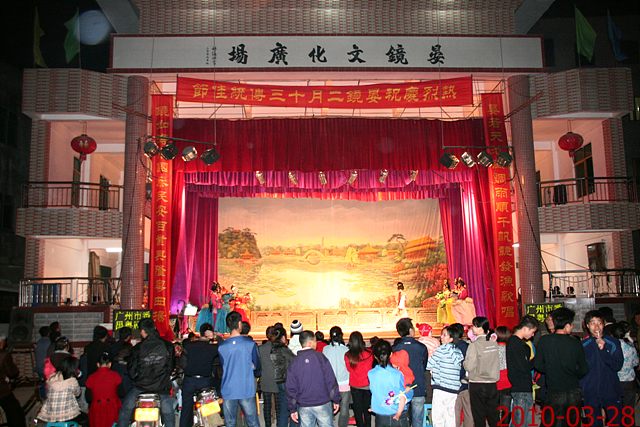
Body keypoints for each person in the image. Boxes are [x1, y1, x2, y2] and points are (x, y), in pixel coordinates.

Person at [534, 307, 588, 427]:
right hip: (573, 391)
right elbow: (584, 369)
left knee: (551, 422)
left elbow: (538, 365)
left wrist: (550, 370)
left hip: (553, 391)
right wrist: (574, 374)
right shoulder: (575, 342)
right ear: (567, 325)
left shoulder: (545, 340)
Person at [117, 318, 176, 427]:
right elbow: (171, 367)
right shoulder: (168, 346)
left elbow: (132, 371)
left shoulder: (137, 348)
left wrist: (139, 379)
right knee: (169, 414)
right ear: (154, 328)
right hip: (162, 387)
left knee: (125, 411)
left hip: (141, 387)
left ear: (143, 331)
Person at [286, 330, 340, 427]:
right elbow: (330, 380)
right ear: (310, 342)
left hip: (304, 404)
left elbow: (291, 387)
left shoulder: (294, 362)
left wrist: (292, 408)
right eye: (315, 341)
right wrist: (336, 399)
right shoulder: (320, 357)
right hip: (322, 402)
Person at [218, 311, 262, 427]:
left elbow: (223, 365)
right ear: (239, 324)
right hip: (245, 388)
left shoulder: (222, 347)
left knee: (230, 423)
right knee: (252, 422)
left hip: (228, 388)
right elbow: (257, 366)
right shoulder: (250, 344)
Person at [580, 310, 623, 427]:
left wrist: (603, 349)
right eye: (592, 323)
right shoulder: (583, 345)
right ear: (587, 326)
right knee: (594, 423)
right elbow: (579, 368)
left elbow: (617, 365)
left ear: (603, 324)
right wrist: (583, 387)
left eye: (599, 323)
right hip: (591, 392)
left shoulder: (613, 342)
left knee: (616, 422)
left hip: (611, 390)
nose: (596, 326)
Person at [179, 322, 219, 427]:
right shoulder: (213, 348)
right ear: (208, 333)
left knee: (186, 409)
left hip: (189, 381)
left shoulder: (189, 346)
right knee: (209, 410)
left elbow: (182, 363)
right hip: (205, 381)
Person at [463, 316, 500, 427]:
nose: (472, 328)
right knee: (493, 416)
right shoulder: (494, 344)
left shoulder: (474, 345)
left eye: (474, 326)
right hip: (492, 384)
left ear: (480, 328)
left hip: (477, 384)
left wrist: (464, 363)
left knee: (479, 416)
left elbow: (469, 366)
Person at [369, 340, 413, 427]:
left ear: (375, 356)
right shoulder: (397, 374)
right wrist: (410, 391)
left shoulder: (371, 374)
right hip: (397, 415)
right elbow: (403, 395)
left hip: (380, 416)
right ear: (390, 354)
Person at [393, 318, 428, 427]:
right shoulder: (421, 347)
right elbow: (424, 366)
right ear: (410, 330)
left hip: (402, 389)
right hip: (418, 386)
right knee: (418, 421)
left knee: (403, 419)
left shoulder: (395, 348)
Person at [426, 325, 463, 427]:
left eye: (444, 335)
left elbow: (429, 365)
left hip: (441, 388)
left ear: (451, 338)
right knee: (450, 417)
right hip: (454, 390)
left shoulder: (441, 350)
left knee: (438, 418)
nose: (441, 337)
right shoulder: (458, 351)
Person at [506, 315, 538, 427]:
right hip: (521, 388)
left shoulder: (517, 343)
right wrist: (537, 359)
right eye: (532, 332)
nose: (533, 335)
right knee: (520, 422)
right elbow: (523, 366)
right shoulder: (516, 343)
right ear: (525, 328)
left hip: (522, 388)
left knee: (523, 421)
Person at [38, 356, 88, 426]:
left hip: (50, 413)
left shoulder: (52, 377)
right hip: (67, 415)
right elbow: (78, 393)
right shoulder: (72, 381)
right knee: (86, 419)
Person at [323, 326, 351, 427]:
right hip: (345, 383)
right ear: (341, 335)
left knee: (328, 408)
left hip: (330, 384)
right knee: (344, 408)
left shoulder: (325, 349)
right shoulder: (346, 350)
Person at [345, 331, 374, 427]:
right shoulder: (369, 353)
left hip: (355, 385)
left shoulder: (348, 355)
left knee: (357, 409)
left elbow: (349, 369)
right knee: (367, 409)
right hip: (367, 385)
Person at [86, 352, 122, 427]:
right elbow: (121, 392)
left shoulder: (91, 377)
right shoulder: (115, 375)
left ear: (98, 364)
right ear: (110, 364)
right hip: (112, 407)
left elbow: (88, 397)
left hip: (97, 408)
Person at [610, 321, 639, 410]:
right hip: (629, 381)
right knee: (628, 408)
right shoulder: (630, 346)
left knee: (616, 408)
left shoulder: (611, 347)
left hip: (615, 380)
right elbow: (636, 363)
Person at [271, 326, 296, 427]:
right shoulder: (284, 350)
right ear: (283, 337)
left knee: (283, 409)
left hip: (278, 381)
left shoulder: (272, 348)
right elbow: (294, 361)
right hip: (287, 380)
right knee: (293, 408)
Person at [0, 335, 25, 427]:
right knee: (15, 412)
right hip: (2, 390)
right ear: (1, 342)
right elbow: (12, 372)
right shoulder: (3, 354)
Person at [450, 323, 472, 427]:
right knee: (469, 412)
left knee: (455, 412)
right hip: (467, 383)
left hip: (454, 384)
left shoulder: (450, 347)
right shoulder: (468, 346)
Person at [259, 326, 279, 427]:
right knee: (279, 405)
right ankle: (279, 423)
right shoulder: (280, 348)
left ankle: (267, 424)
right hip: (278, 379)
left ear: (267, 335)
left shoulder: (261, 348)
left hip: (266, 379)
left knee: (267, 405)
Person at [415, 323, 439, 404]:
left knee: (425, 384)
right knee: (431, 385)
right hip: (433, 367)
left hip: (422, 367)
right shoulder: (435, 341)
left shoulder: (418, 341)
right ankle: (431, 401)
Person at [109, 326, 134, 397]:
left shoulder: (113, 346)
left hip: (114, 373)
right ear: (129, 336)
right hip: (125, 374)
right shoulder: (128, 347)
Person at [495, 326, 512, 418]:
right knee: (506, 408)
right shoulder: (511, 349)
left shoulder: (492, 349)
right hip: (508, 381)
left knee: (495, 408)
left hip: (495, 380)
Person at [35, 325, 51, 398]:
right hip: (46, 368)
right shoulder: (49, 342)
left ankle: (41, 396)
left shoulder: (38, 342)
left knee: (42, 382)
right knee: (48, 384)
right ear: (48, 333)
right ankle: (46, 397)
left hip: (38, 367)